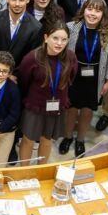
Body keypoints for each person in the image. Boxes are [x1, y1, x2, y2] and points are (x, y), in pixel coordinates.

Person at [61, 0, 108, 157]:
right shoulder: (71, 27)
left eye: (98, 11)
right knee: (71, 108)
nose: (93, 14)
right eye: (90, 9)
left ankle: (80, 139)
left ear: (103, 14)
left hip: (95, 78)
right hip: (73, 75)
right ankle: (68, 136)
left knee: (87, 109)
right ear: (84, 10)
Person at [16, 22, 76, 163]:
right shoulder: (32, 57)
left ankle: (41, 170)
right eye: (55, 38)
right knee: (28, 140)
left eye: (64, 39)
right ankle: (23, 172)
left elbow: (71, 78)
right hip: (34, 107)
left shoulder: (71, 57)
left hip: (56, 107)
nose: (59, 43)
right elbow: (23, 81)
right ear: (46, 37)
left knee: (47, 140)